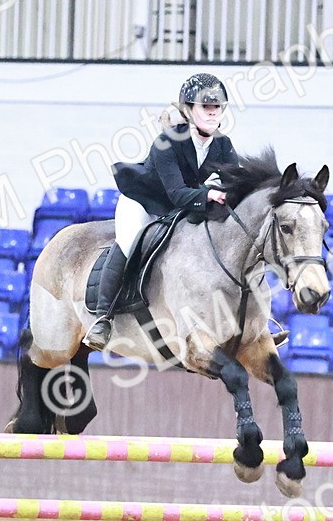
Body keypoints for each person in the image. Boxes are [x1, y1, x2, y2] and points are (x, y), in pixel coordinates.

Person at [83, 73, 240, 351]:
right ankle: (102, 318)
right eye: (206, 107)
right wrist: (211, 193)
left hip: (185, 207)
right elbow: (177, 193)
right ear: (189, 110)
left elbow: (234, 184)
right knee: (130, 241)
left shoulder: (223, 145)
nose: (213, 112)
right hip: (146, 202)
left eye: (217, 107)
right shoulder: (167, 142)